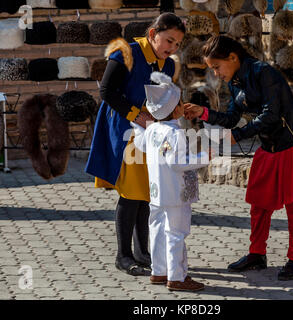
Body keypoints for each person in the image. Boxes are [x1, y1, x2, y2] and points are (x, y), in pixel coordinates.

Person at [184, 36, 293, 281]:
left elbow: (271, 114)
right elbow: (232, 117)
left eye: (216, 67)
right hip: (268, 144)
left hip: (292, 142)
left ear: (233, 58)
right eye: (212, 69)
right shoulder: (235, 80)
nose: (215, 74)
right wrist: (203, 112)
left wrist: (237, 136)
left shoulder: (263, 72)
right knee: (259, 202)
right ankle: (257, 254)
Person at [85, 13, 185, 276]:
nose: (172, 48)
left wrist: (174, 111)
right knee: (130, 194)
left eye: (177, 44)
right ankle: (123, 255)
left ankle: (143, 252)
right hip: (123, 129)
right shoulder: (125, 53)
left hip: (150, 133)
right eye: (168, 41)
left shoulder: (169, 65)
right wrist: (136, 115)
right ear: (153, 34)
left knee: (147, 193)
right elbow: (107, 92)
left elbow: (162, 99)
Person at [131, 72, 209, 291]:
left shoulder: (153, 129)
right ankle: (177, 276)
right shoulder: (175, 133)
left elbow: (141, 145)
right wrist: (204, 158)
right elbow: (178, 163)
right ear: (175, 109)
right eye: (181, 102)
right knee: (176, 232)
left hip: (156, 192)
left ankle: (159, 271)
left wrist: (137, 125)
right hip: (176, 193)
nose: (184, 105)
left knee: (156, 228)